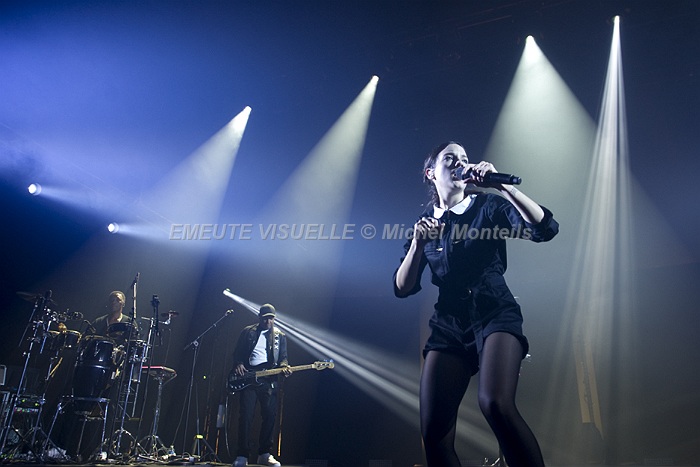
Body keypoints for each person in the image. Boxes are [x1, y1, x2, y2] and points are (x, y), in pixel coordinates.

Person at [394, 142, 559, 467]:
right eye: (449, 158)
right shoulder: (425, 222)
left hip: (494, 313)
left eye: (464, 159)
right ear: (431, 173)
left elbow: (544, 229)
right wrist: (417, 245)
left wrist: (502, 187)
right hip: (449, 326)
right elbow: (403, 287)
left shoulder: (487, 206)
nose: (459, 163)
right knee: (434, 433)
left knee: (495, 404)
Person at [231, 304, 291, 467]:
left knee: (270, 416)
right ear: (259, 317)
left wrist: (284, 367)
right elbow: (237, 353)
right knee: (246, 416)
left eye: (271, 318)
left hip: (269, 380)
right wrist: (238, 363)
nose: (268, 321)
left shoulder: (280, 336)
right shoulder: (248, 332)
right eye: (265, 318)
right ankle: (242, 454)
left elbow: (283, 357)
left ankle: (264, 453)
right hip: (249, 378)